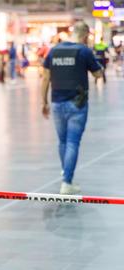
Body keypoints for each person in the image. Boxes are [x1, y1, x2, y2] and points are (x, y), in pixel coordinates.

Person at [41, 21, 102, 195]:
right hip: (77, 104)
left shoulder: (54, 51)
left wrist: (43, 102)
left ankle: (66, 173)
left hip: (57, 103)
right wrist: (100, 69)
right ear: (85, 36)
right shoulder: (84, 51)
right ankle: (67, 182)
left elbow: (45, 78)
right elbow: (97, 74)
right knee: (73, 142)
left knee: (62, 141)